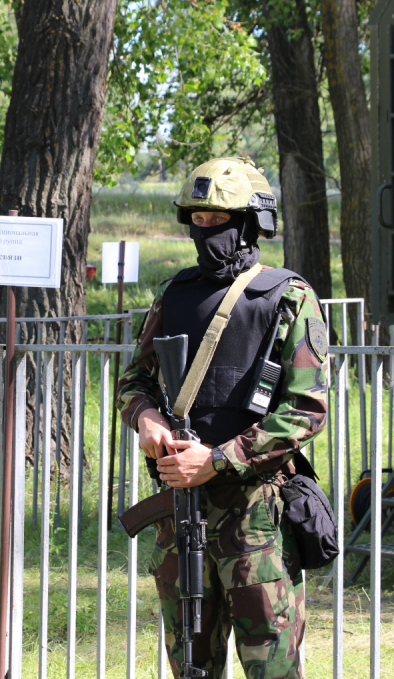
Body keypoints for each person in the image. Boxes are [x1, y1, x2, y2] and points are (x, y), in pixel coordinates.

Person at [116, 157, 331, 679]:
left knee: (272, 670)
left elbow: (305, 410)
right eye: (198, 220)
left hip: (254, 515)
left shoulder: (288, 297)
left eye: (219, 220)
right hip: (180, 513)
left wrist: (215, 460)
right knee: (189, 666)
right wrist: (146, 417)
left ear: (251, 223)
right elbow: (133, 380)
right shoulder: (174, 295)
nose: (206, 231)